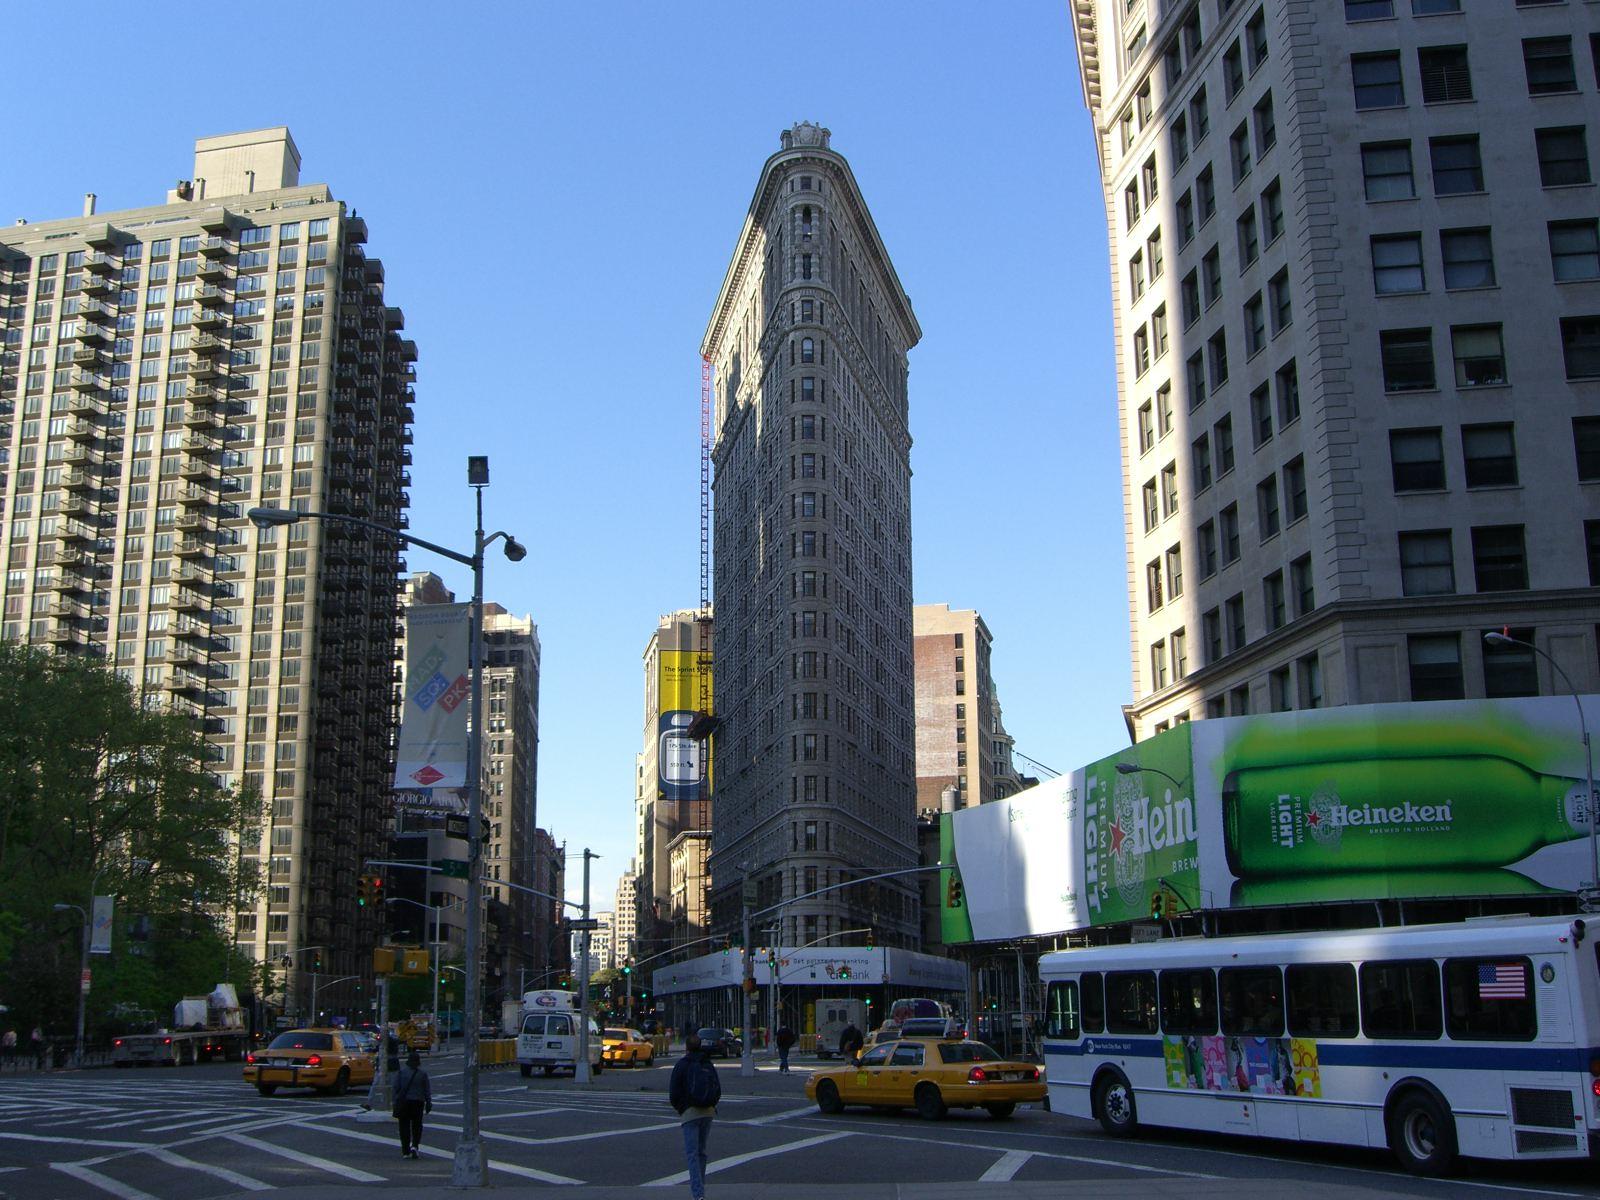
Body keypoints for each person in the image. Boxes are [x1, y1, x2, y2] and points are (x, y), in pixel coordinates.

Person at [669, 1034, 721, 1200]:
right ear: (700, 1046)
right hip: (708, 1112)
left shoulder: (682, 1064)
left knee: (692, 1154)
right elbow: (717, 1088)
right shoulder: (707, 1063)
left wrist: (682, 1108)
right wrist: (711, 1103)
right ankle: (700, 1187)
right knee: (701, 1152)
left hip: (690, 1112)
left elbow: (674, 1092)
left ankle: (698, 1193)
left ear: (686, 1047)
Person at [391, 1050, 432, 1159]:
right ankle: (415, 1146)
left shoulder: (401, 1073)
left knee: (404, 1127)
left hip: (404, 1103)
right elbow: (427, 1090)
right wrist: (428, 1102)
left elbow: (395, 1088)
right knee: (417, 1126)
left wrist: (394, 1102)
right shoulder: (422, 1074)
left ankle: (405, 1150)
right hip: (418, 1103)